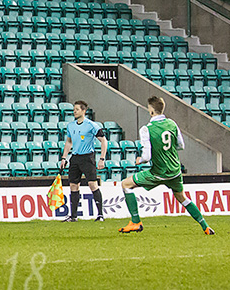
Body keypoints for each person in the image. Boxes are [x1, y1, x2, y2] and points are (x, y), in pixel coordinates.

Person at [118, 97, 215, 235]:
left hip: (158, 172)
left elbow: (147, 157)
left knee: (126, 185)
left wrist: (140, 160)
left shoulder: (146, 129)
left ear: (151, 111)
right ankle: (205, 226)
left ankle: (135, 222)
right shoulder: (172, 124)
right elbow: (181, 145)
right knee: (182, 197)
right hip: (175, 171)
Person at [58, 100, 108, 222]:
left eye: (77, 109)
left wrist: (102, 158)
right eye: (74, 109)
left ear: (84, 111)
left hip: (87, 157)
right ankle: (73, 216)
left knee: (92, 184)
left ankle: (100, 214)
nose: (74, 111)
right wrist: (64, 157)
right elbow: (69, 142)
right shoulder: (71, 126)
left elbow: (104, 140)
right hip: (75, 158)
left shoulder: (91, 125)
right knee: (73, 185)